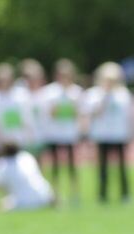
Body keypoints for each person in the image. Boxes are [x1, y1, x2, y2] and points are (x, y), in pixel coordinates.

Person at [83, 62, 132, 203]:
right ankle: (102, 195)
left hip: (119, 135)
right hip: (102, 135)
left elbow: (127, 117)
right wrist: (105, 97)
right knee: (102, 167)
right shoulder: (94, 94)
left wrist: (130, 134)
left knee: (122, 167)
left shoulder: (123, 94)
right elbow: (93, 114)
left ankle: (125, 194)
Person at [39, 59, 83, 204]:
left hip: (69, 134)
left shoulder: (76, 92)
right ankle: (55, 193)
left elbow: (78, 113)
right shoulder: (50, 92)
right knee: (55, 166)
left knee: (72, 166)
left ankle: (74, 193)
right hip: (54, 134)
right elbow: (50, 113)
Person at [0, 142, 54, 211]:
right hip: (44, 195)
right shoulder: (27, 157)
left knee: (0, 206)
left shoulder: (1, 164)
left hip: (22, 201)